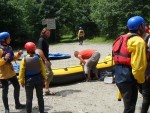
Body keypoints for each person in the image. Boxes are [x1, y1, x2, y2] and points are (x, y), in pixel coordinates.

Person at [113, 16, 147, 113]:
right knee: (130, 107)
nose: (144, 28)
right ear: (140, 27)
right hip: (128, 76)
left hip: (118, 74)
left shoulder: (122, 38)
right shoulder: (138, 41)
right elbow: (138, 66)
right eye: (143, 25)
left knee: (128, 105)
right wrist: (141, 81)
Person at [0, 32, 26, 113]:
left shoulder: (10, 48)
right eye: (8, 38)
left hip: (11, 72)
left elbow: (12, 58)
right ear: (3, 40)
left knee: (17, 87)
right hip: (3, 74)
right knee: (5, 91)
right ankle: (7, 109)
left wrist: (18, 54)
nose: (10, 39)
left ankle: (17, 104)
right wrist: (4, 59)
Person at [18, 42, 47, 113]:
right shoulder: (38, 57)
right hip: (39, 78)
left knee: (29, 98)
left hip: (29, 80)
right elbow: (43, 68)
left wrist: (21, 81)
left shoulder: (24, 59)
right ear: (34, 49)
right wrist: (44, 77)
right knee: (40, 97)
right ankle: (42, 111)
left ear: (27, 50)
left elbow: (21, 71)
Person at [37, 27, 55, 95]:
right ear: (43, 33)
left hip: (46, 59)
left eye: (49, 32)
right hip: (43, 60)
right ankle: (46, 90)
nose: (49, 33)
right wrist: (45, 60)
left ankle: (45, 89)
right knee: (49, 74)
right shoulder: (41, 40)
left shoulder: (45, 39)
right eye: (47, 32)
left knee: (48, 74)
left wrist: (48, 60)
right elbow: (40, 51)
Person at [140, 26, 150, 113]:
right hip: (145, 70)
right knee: (146, 95)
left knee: (146, 94)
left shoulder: (134, 39)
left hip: (141, 71)